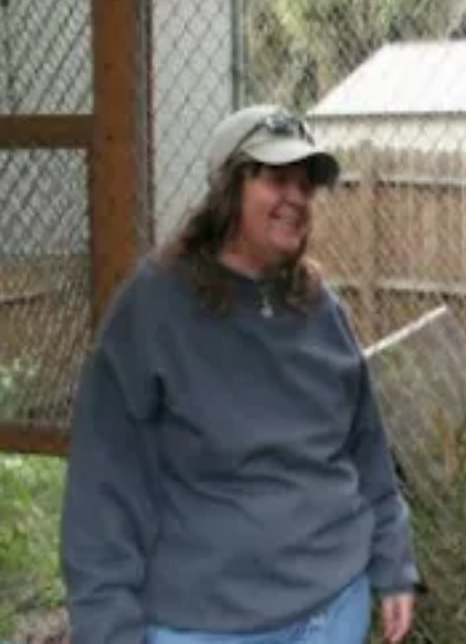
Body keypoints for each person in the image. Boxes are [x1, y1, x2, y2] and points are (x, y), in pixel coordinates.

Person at [60, 104, 424, 644]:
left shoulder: (321, 310)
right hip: (208, 622)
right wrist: (108, 627)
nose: (296, 198)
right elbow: (102, 485)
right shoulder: (154, 307)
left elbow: (367, 449)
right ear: (228, 189)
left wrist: (394, 564)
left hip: (334, 607)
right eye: (277, 178)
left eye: (306, 185)